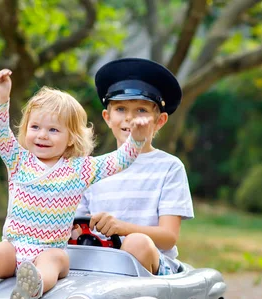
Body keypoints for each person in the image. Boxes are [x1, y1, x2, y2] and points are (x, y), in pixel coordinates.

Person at [0, 68, 150, 299]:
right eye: (36, 127)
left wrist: (136, 140)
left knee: (54, 263)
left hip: (50, 248)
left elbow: (118, 161)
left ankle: (33, 285)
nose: (42, 135)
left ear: (71, 138)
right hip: (15, 246)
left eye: (53, 130)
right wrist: (2, 98)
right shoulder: (18, 161)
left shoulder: (80, 169)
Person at [75, 58, 194, 275]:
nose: (130, 118)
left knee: (136, 243)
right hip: (97, 266)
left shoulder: (169, 167)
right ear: (107, 117)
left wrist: (122, 228)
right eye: (120, 109)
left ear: (160, 121)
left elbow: (168, 237)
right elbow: (76, 228)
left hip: (154, 269)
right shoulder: (93, 168)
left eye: (141, 110)